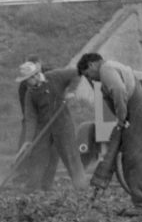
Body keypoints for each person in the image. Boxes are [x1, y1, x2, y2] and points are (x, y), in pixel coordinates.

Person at [77, 52, 142, 216]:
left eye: (88, 74)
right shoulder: (114, 67)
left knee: (134, 159)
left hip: (136, 112)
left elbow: (119, 90)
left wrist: (121, 118)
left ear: (93, 65)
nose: (91, 79)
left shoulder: (105, 70)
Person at [14, 61, 88, 192]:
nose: (25, 84)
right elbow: (31, 118)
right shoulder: (30, 94)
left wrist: (71, 91)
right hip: (44, 128)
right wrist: (28, 140)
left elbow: (77, 73)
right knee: (38, 156)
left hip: (63, 124)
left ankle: (81, 187)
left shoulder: (54, 76)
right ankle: (33, 187)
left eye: (27, 80)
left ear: (35, 76)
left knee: (70, 156)